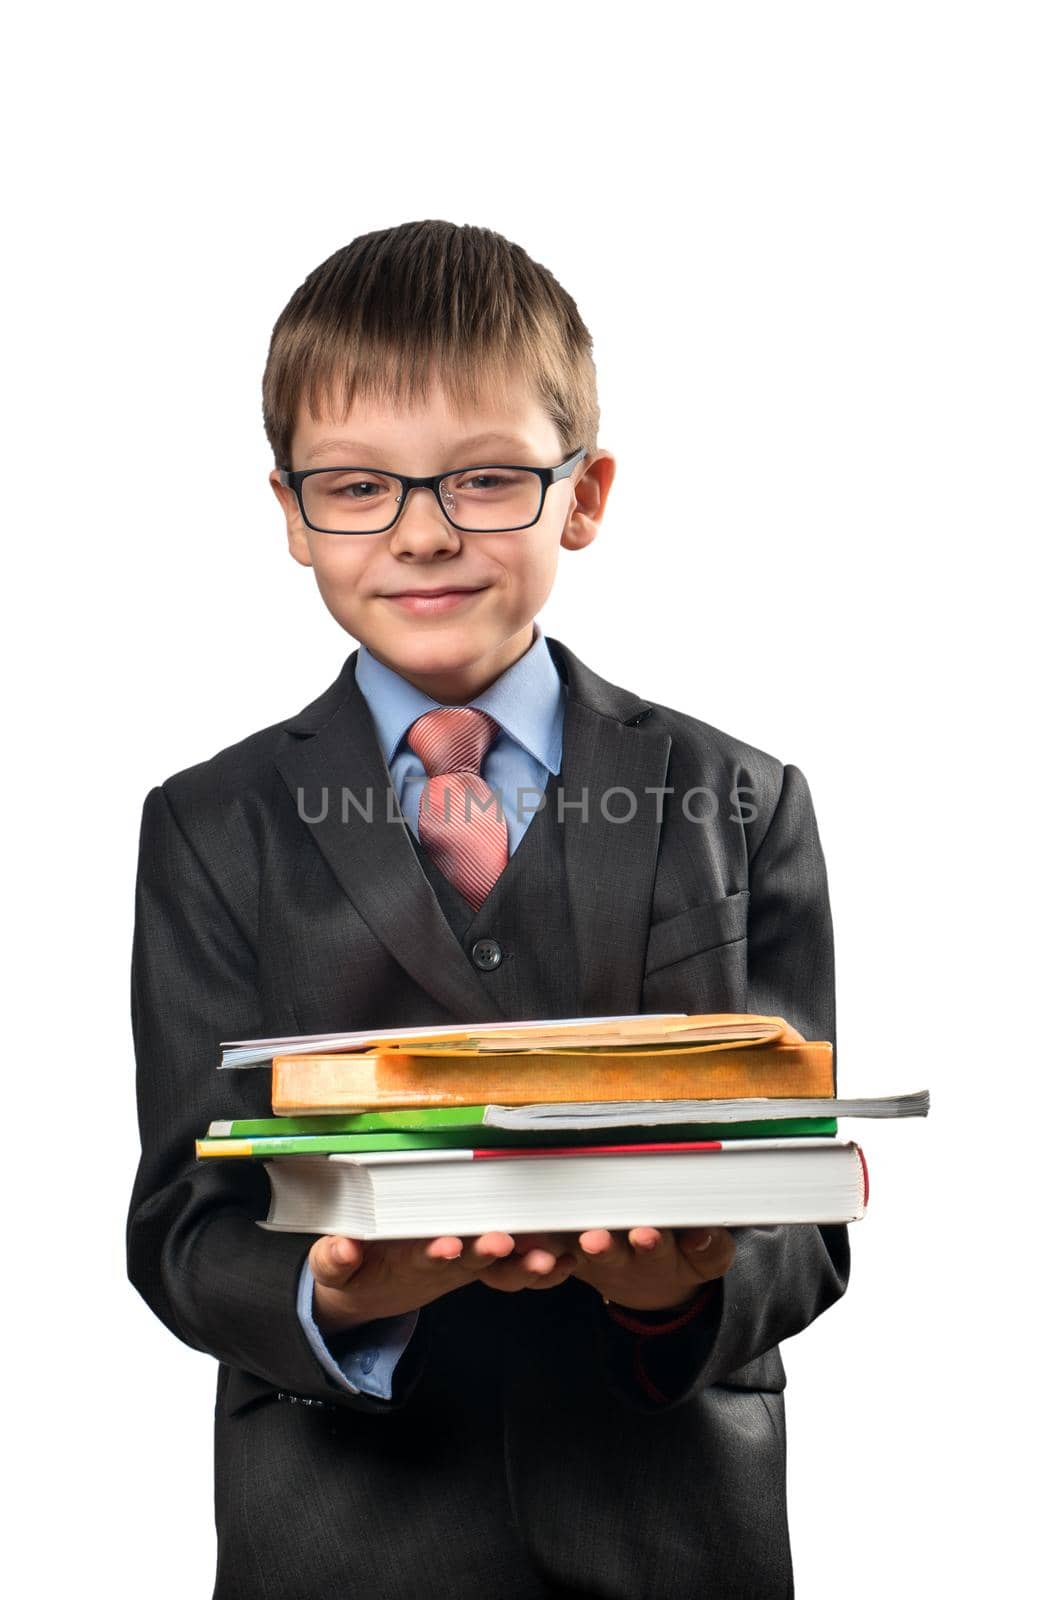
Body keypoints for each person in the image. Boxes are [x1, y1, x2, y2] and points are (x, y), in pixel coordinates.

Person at [127, 219, 850, 1600]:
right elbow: (182, 1225)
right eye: (356, 487)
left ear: (586, 495)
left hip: (673, 1535)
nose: (423, 533)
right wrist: (339, 1296)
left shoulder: (744, 800)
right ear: (288, 513)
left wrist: (681, 1288)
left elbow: (805, 1216)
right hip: (342, 1545)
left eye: (487, 480)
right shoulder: (207, 829)